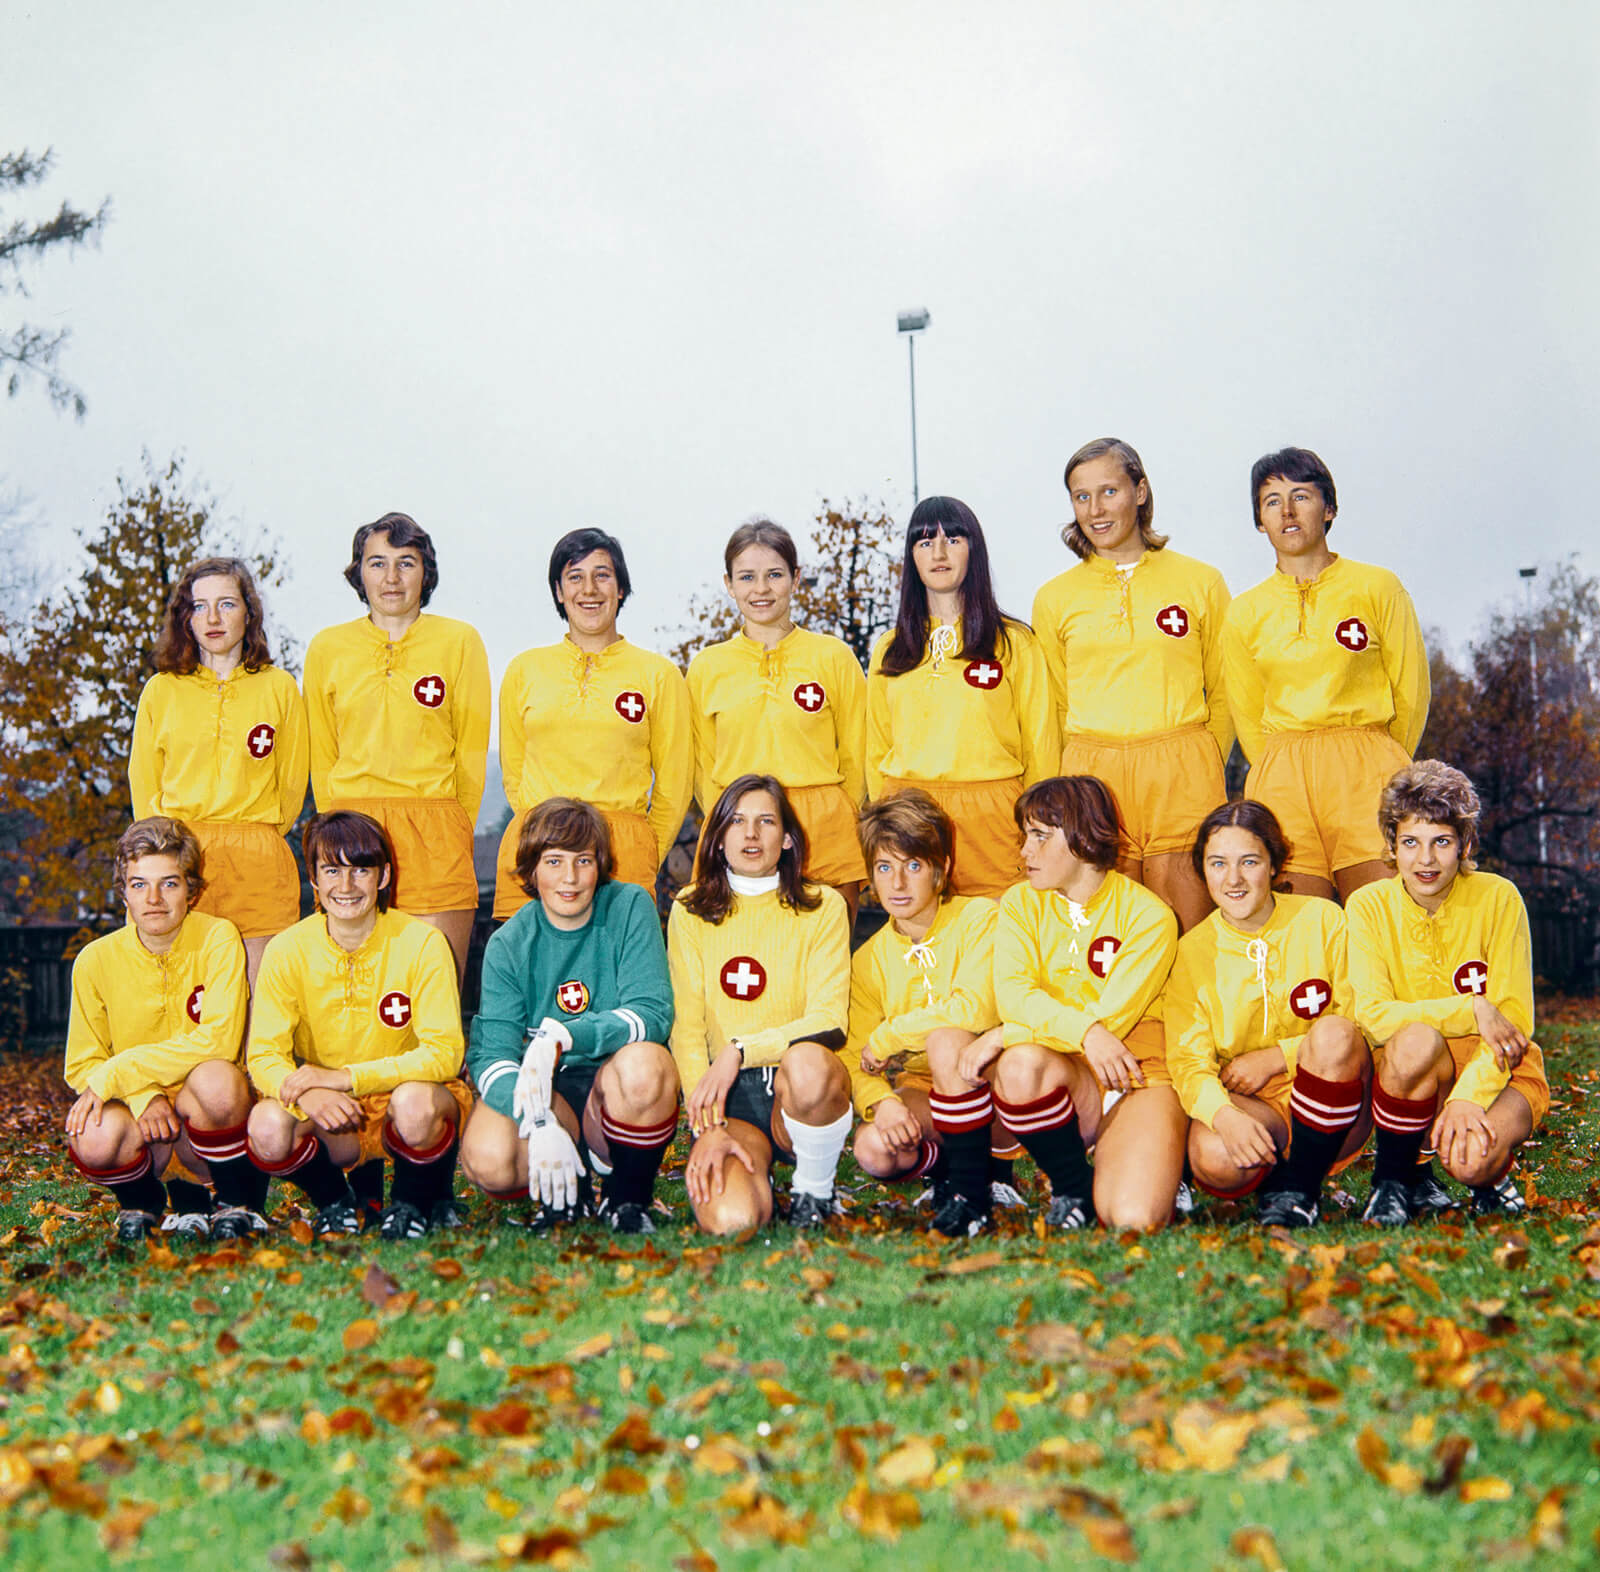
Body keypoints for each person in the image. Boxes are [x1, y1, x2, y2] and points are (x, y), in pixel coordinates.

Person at [953, 777, 1183, 1235]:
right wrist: (1081, 1033)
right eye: (1025, 836)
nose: (1024, 852)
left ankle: (1160, 1156)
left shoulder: (1149, 915)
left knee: (1132, 1218)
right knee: (1019, 1068)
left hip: (1137, 1074)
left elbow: (1110, 1018)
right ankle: (1072, 1185)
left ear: (1082, 836)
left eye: (1039, 835)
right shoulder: (1021, 903)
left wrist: (1008, 1032)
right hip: (1068, 1077)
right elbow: (1015, 996)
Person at [1032, 439, 1232, 932]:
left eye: (1108, 491)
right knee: (1107, 937)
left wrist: (1204, 757)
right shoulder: (1055, 597)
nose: (1096, 510)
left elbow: (1227, 690)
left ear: (1140, 491)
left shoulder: (1200, 582)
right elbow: (1055, 703)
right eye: (1081, 497)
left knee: (1189, 932)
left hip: (1181, 771)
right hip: (1093, 775)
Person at [245, 811, 469, 1239]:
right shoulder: (287, 950)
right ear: (313, 877)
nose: (345, 887)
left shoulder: (422, 942)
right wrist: (308, 1091)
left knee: (415, 1104)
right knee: (267, 1127)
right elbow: (263, 1055)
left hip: (404, 1100)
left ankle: (410, 1204)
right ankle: (335, 1202)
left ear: (383, 876)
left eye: (360, 870)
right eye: (332, 870)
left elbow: (444, 1053)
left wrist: (346, 1078)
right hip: (333, 1108)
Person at [1345, 761, 1550, 1223]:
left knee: (1470, 1159)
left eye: (1441, 841)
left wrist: (1467, 1098)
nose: (1426, 860)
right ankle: (1394, 1180)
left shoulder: (1498, 898)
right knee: (1414, 1039)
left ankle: (1488, 1176)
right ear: (1392, 847)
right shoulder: (1367, 907)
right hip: (1413, 1070)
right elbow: (1374, 1017)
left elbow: (1513, 1021)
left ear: (1465, 844)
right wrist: (1473, 1009)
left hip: (1500, 1065)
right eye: (1410, 843)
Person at [1221, 448, 1429, 902]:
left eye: (1301, 496)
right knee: (1301, 934)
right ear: (1259, 520)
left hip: (1366, 767)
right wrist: (1281, 764)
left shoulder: (1377, 587)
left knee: (1381, 919)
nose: (1288, 511)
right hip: (1283, 777)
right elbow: (1247, 712)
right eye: (1272, 501)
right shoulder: (1244, 612)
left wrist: (1383, 759)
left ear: (1329, 507)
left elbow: (1411, 692)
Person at [463, 798, 679, 1234]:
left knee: (647, 1065)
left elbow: (652, 1012)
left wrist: (564, 1035)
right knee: (486, 1155)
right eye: (554, 861)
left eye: (583, 860)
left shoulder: (629, 907)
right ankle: (564, 1197)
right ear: (532, 869)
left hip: (612, 1087)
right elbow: (492, 1056)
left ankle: (626, 1199)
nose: (570, 877)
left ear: (599, 865)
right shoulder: (509, 942)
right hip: (546, 1088)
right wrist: (539, 1121)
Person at [1165, 801, 1373, 1228]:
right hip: (1257, 1107)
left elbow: (1361, 1020)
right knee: (1214, 1156)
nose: (1233, 879)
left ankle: (1302, 1186)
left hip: (1334, 1094)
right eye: (1218, 863)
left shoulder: (1324, 919)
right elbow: (1187, 1061)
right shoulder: (1191, 951)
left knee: (1334, 1032)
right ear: (1203, 869)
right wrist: (1225, 1116)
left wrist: (1278, 1056)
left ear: (1275, 865)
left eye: (1249, 862)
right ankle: (1277, 1175)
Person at [303, 512, 490, 984]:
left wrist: (450, 827)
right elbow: (322, 754)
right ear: (358, 572)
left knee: (435, 990)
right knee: (360, 994)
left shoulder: (459, 641)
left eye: (405, 563)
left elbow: (470, 754)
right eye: (377, 563)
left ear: (425, 572)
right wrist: (340, 834)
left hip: (434, 827)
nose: (391, 578)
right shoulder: (328, 647)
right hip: (355, 834)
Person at [63, 817, 262, 1240]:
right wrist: (142, 1095)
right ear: (123, 894)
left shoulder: (218, 937)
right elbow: (83, 1064)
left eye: (169, 884)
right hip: (144, 1125)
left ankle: (233, 1202)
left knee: (219, 1080)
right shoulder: (95, 960)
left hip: (203, 1114)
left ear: (192, 889)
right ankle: (142, 1204)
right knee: (93, 1133)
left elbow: (220, 1041)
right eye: (139, 885)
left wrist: (124, 1071)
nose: (154, 899)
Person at [669, 775, 852, 1233]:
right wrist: (708, 1128)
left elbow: (830, 1020)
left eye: (766, 822)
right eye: (737, 822)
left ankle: (814, 1190)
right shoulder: (690, 909)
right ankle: (757, 1174)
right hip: (727, 1099)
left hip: (799, 1093)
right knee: (735, 1219)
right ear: (718, 838)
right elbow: (687, 1031)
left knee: (809, 1061)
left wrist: (740, 1049)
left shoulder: (822, 906)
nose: (751, 835)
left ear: (787, 838)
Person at [493, 529, 692, 920]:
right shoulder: (524, 670)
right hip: (538, 851)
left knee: (613, 977)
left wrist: (644, 847)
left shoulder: (658, 675)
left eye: (602, 575)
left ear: (621, 589)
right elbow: (514, 772)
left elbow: (675, 781)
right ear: (558, 591)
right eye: (574, 576)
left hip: (622, 855)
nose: (589, 589)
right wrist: (544, 836)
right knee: (533, 976)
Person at [866, 496, 1059, 898]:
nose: (938, 552)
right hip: (909, 815)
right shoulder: (890, 648)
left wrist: (1040, 830)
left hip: (992, 816)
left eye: (952, 539)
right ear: (911, 557)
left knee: (996, 941)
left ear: (974, 548)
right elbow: (876, 747)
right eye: (924, 542)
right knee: (923, 946)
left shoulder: (1014, 643)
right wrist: (885, 822)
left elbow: (1042, 747)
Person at [843, 790, 1016, 1233]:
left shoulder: (979, 918)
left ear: (942, 870)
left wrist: (892, 1035)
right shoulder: (869, 960)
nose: (898, 884)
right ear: (870, 877)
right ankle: (947, 1174)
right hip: (926, 1090)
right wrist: (880, 1103)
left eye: (913, 866)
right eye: (885, 868)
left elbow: (974, 1009)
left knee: (947, 1041)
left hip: (997, 1085)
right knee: (873, 1149)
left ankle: (975, 1194)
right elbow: (855, 1056)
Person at [130, 557, 308, 984]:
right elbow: (144, 785)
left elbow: (291, 784)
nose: (212, 618)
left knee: (260, 999)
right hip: (182, 858)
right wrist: (170, 854)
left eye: (226, 604)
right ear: (185, 619)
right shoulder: (161, 690)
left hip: (258, 857)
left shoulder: (278, 687)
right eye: (199, 606)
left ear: (249, 612)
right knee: (186, 998)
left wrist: (253, 835)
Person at [688, 519, 867, 917]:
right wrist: (730, 823)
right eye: (747, 577)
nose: (761, 589)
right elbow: (702, 765)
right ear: (729, 584)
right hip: (743, 833)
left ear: (795, 578)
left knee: (827, 966)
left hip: (825, 833)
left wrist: (834, 814)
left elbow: (858, 754)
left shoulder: (833, 657)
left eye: (774, 575)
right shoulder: (707, 667)